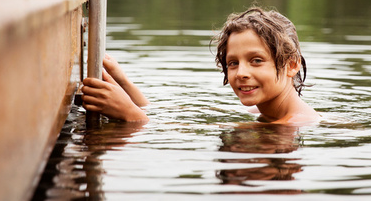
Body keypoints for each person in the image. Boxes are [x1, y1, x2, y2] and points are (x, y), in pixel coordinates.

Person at [81, 7, 320, 125]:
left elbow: (166, 136)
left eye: (256, 60)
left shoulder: (290, 125)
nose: (242, 73)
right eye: (233, 63)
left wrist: (130, 115)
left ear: (291, 65)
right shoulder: (261, 112)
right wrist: (124, 83)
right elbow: (166, 117)